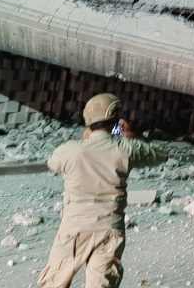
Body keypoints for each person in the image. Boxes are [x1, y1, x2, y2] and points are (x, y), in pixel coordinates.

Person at [38, 93, 168, 288]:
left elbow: (52, 162)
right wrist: (131, 134)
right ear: (116, 119)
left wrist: (85, 139)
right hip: (109, 228)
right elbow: (161, 155)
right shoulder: (125, 148)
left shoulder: (71, 150)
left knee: (54, 282)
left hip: (74, 228)